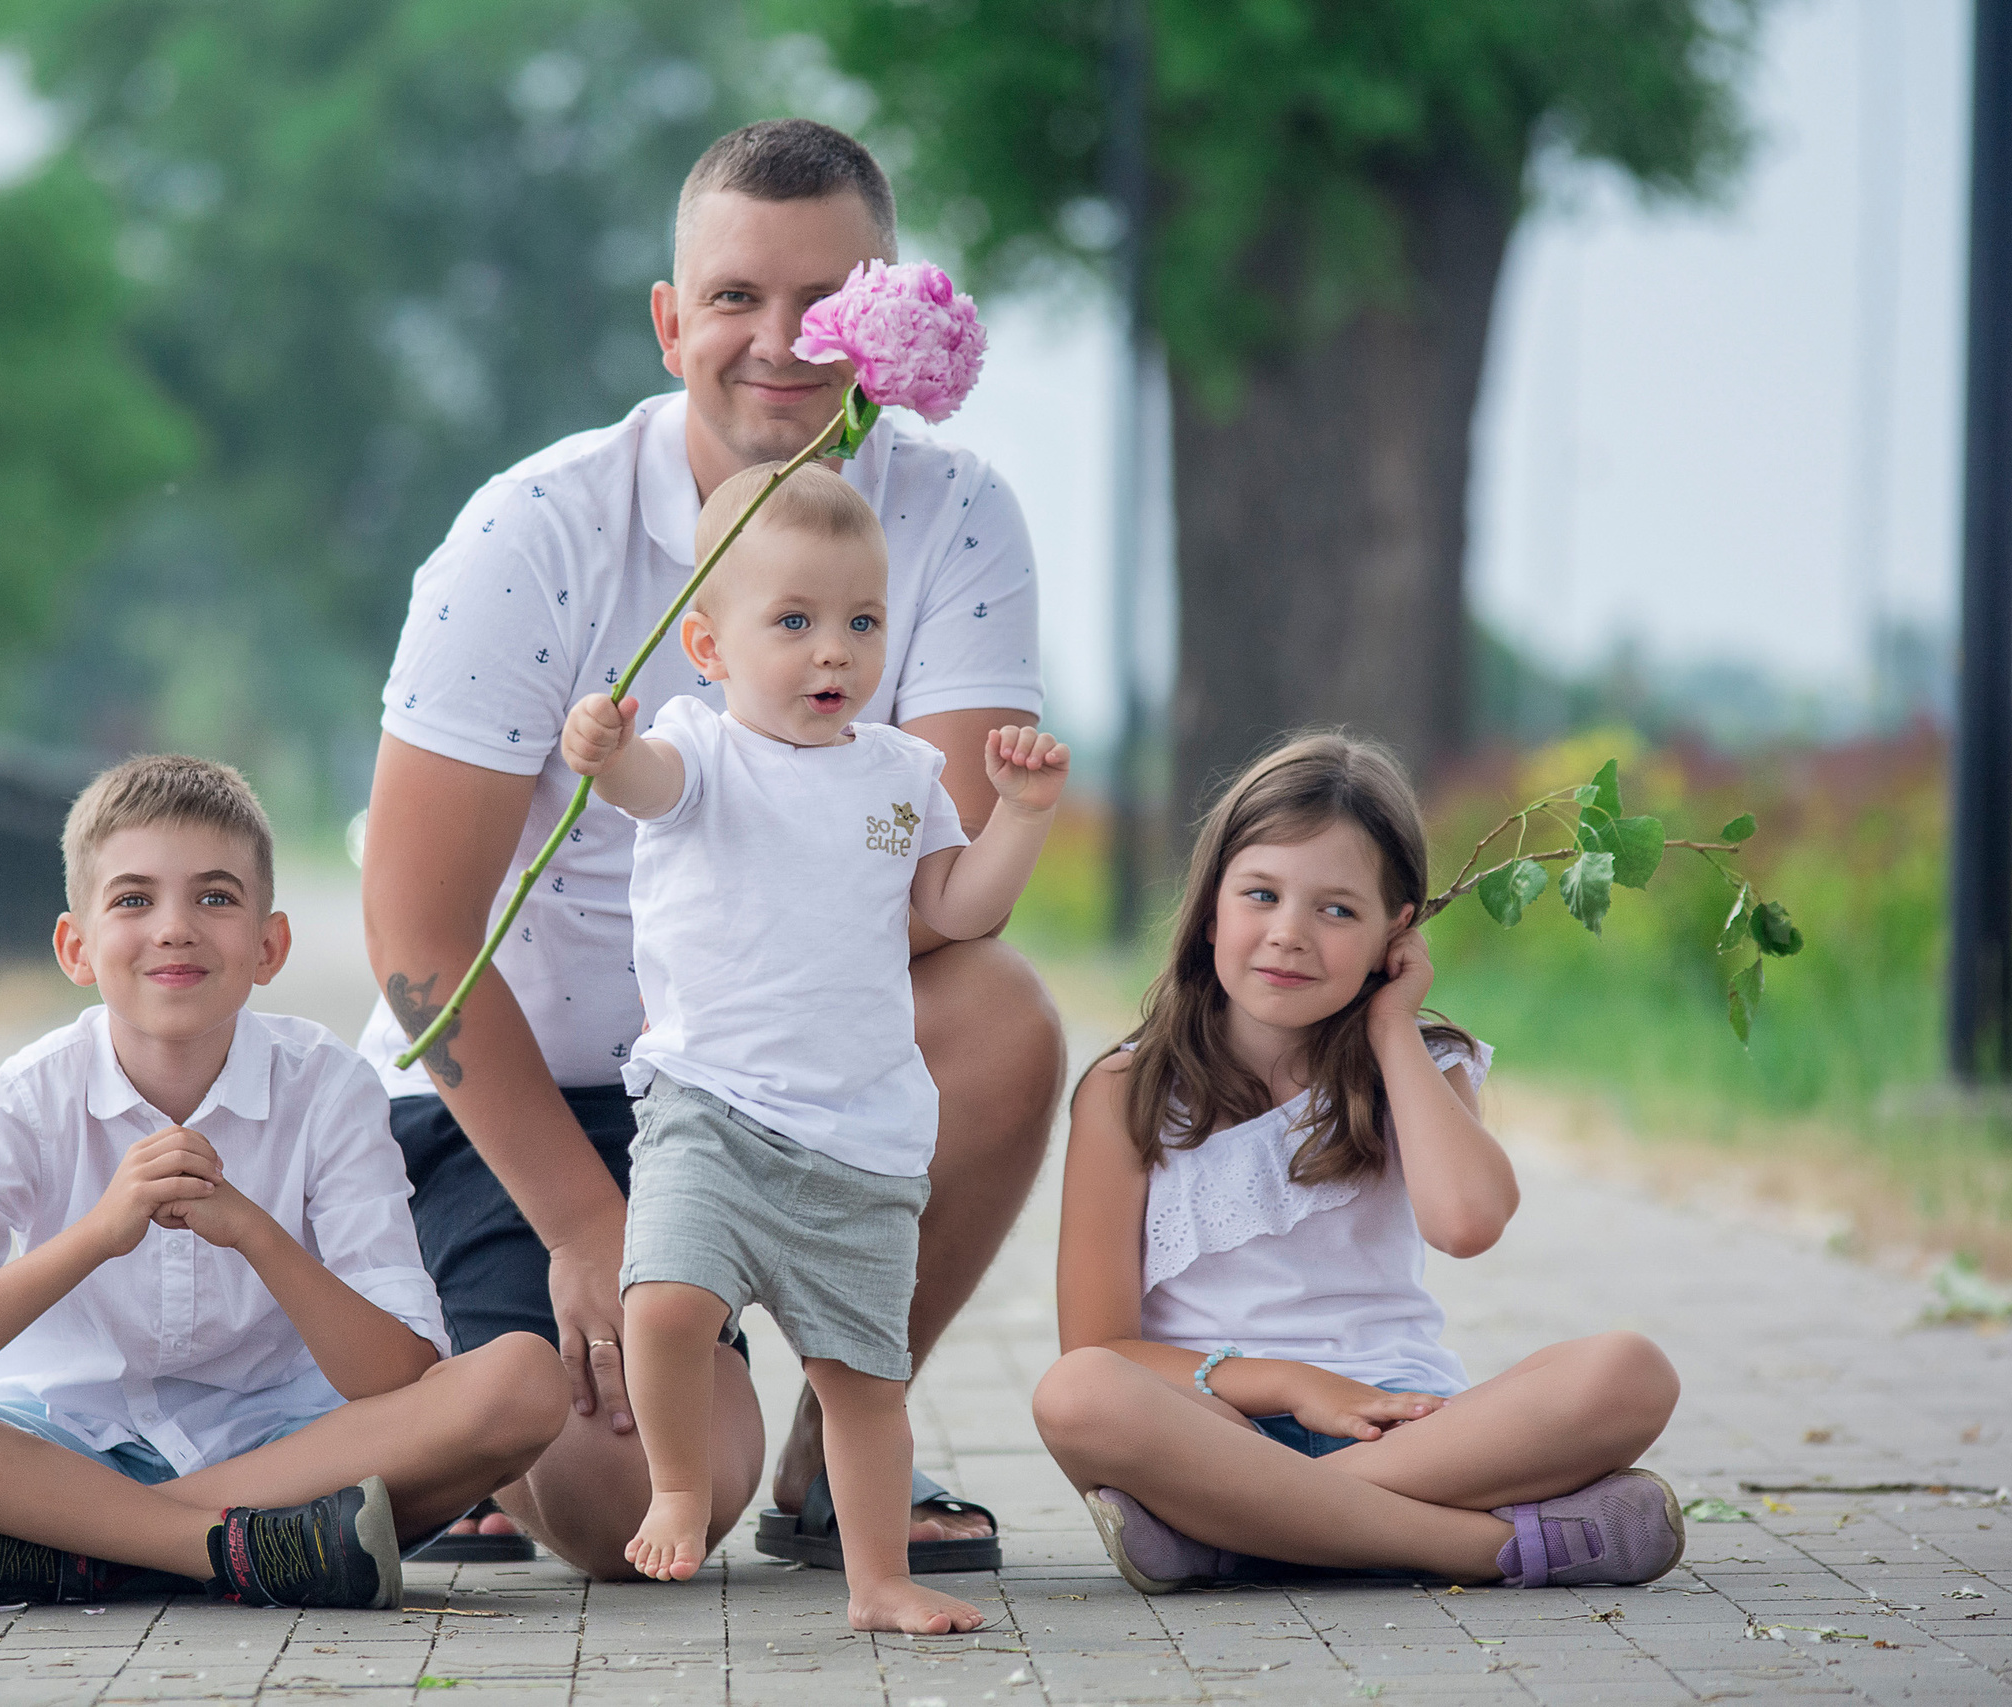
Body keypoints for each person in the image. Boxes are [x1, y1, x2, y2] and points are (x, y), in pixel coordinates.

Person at [358, 117, 1061, 1577]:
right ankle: (465, 1384)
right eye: (737, 297)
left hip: (779, 1071)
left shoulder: (957, 515)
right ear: (671, 323)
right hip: (536, 1093)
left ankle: (843, 1441)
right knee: (624, 1509)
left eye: (828, 301)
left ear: (887, 321)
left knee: (1001, 1014)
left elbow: (937, 879)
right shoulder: (531, 530)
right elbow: (418, 937)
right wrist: (583, 1227)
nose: (782, 340)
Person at [0, 755, 569, 1611]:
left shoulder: (328, 1087)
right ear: (75, 947)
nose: (175, 928)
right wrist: (98, 1234)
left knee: (521, 1380)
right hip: (59, 1444)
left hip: (288, 1452)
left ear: (269, 945)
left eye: (214, 896)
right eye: (134, 900)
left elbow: (399, 1378)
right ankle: (227, 1550)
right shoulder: (30, 1095)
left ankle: (67, 1550)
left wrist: (254, 1231)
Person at [559, 462, 1066, 1629]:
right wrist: (603, 748)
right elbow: (642, 786)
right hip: (711, 1107)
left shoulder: (900, 775)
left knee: (864, 1386)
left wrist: (1022, 817)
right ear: (708, 645)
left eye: (862, 622)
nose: (833, 650)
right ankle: (678, 1487)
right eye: (792, 622)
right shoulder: (699, 750)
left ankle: (877, 1581)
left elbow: (955, 906)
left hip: (859, 1136)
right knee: (666, 1305)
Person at [1031, 732, 1688, 1592]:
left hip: (1410, 1430)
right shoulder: (1128, 1088)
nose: (1289, 934)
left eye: (1337, 911)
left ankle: (1233, 1533)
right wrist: (1294, 1384)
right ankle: (1485, 1547)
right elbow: (1099, 1343)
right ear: (1211, 908)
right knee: (1077, 1393)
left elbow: (1468, 1222)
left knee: (1630, 1373)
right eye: (1261, 894)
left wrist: (1392, 1028)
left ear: (1394, 932)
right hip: (1215, 1424)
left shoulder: (1421, 1062)